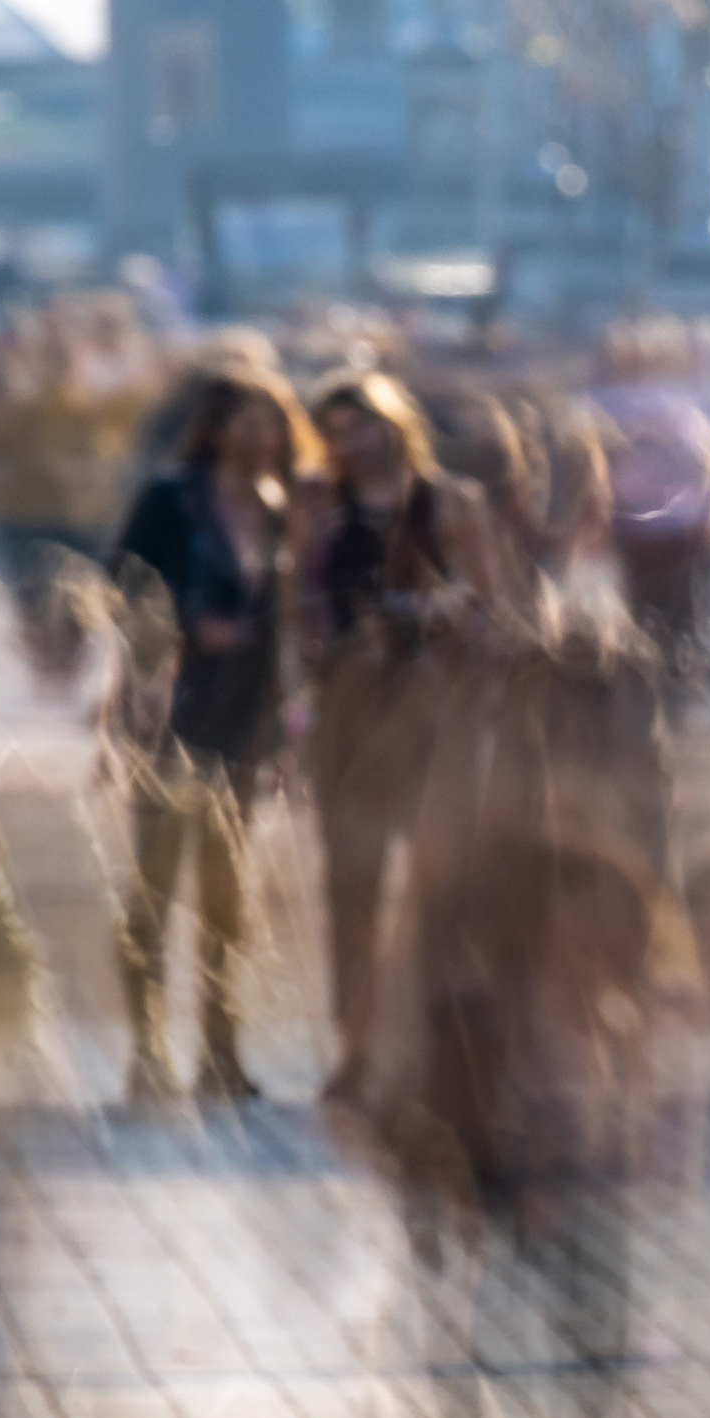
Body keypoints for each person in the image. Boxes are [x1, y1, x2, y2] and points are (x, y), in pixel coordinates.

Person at [110, 368, 314, 1103]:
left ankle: (222, 1056)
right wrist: (187, 627)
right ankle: (146, 1053)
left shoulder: (280, 508)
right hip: (172, 716)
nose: (262, 438)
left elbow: (290, 631)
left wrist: (291, 730)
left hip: (243, 724)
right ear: (218, 428)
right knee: (156, 892)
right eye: (248, 423)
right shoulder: (171, 499)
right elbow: (119, 583)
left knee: (228, 899)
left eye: (274, 423)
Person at [292, 370, 467, 1099]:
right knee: (352, 888)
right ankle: (357, 1046)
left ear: (394, 421)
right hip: (350, 709)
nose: (350, 441)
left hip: (433, 712)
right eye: (335, 430)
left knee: (440, 887)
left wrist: (431, 614)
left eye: (360, 424)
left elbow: (487, 595)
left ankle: (434, 1043)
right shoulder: (319, 502)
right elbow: (297, 599)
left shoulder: (447, 501)